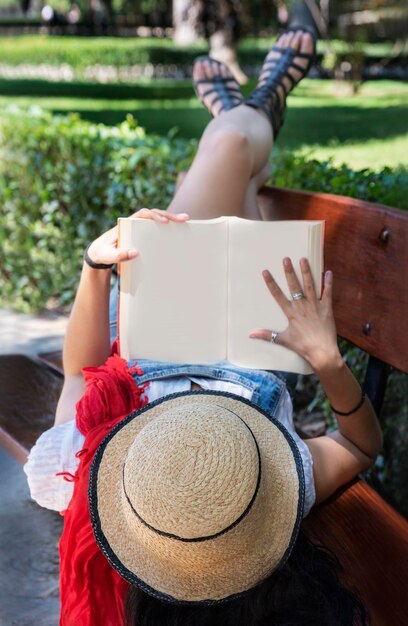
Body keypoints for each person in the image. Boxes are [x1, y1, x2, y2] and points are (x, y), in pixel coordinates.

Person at [25, 5, 382, 625]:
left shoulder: (90, 477)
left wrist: (95, 265)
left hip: (165, 321)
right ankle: (263, 101)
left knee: (225, 152)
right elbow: (360, 441)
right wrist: (325, 359)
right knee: (233, 150)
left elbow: (83, 372)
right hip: (251, 339)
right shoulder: (277, 490)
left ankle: (250, 109)